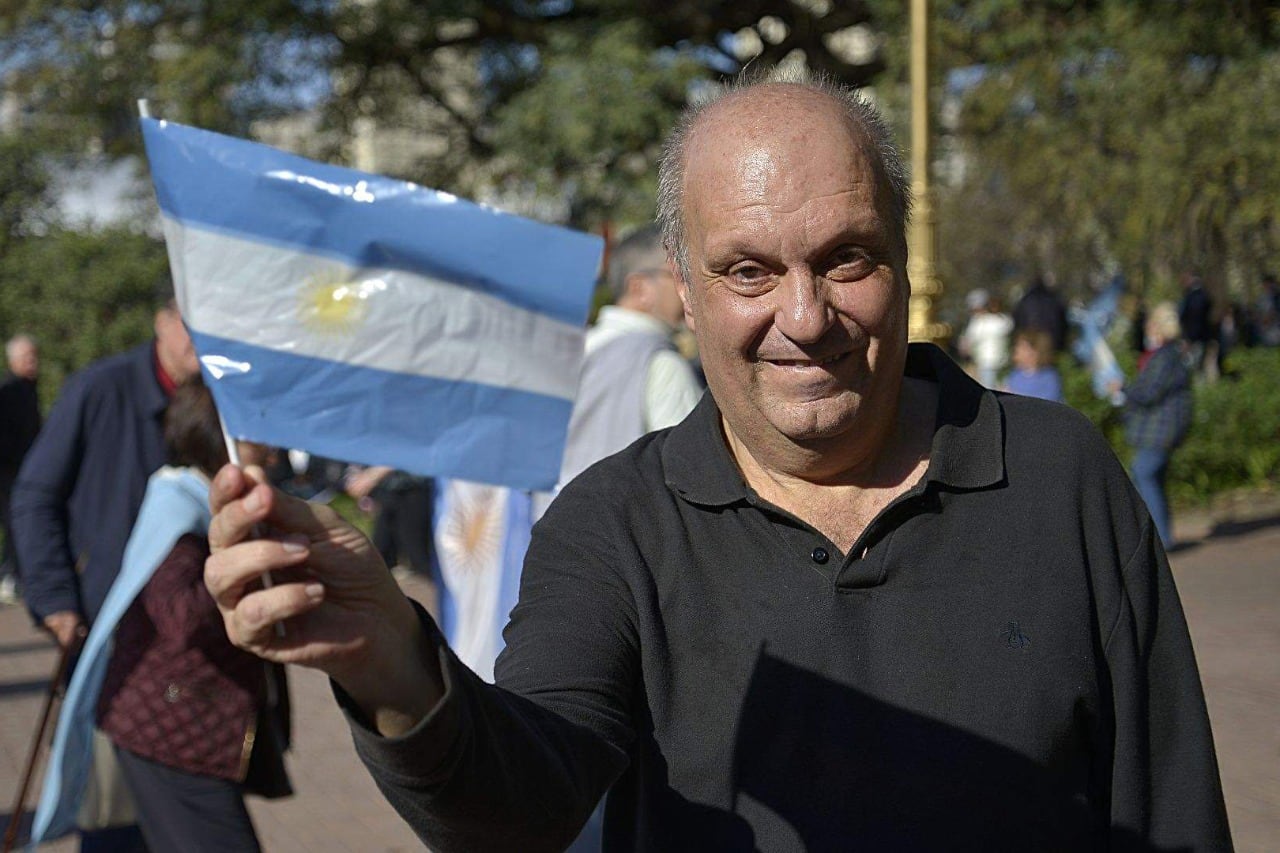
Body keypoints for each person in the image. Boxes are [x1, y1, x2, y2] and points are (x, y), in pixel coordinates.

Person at [205, 70, 1230, 850]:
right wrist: (391, 662)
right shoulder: (614, 523)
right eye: (748, 270)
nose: (803, 317)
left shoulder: (1058, 473)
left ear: (902, 266)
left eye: (845, 259)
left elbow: (1169, 798)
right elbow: (523, 799)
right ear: (683, 297)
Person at [13, 290, 199, 852]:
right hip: (110, 632)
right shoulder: (101, 388)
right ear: (162, 322)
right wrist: (55, 599)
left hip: (194, 642)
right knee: (115, 815)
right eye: (193, 324)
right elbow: (35, 496)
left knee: (190, 807)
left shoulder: (220, 397)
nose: (203, 341)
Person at [97, 382, 291, 851]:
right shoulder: (180, 508)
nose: (271, 451)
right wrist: (242, 559)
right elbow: (179, 615)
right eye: (255, 435)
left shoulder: (206, 503)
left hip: (183, 728)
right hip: (168, 732)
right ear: (218, 438)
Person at [556, 224, 703, 489]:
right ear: (639, 288)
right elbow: (693, 471)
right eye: (680, 276)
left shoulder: (576, 350)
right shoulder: (660, 363)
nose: (689, 290)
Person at [1122, 302, 1193, 550]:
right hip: (1164, 428)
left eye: (1151, 324)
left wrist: (1122, 388)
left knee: (1143, 473)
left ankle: (1161, 539)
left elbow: (1148, 392)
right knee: (1152, 478)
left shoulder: (1164, 356)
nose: (1147, 328)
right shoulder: (1173, 354)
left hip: (1159, 430)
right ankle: (1161, 534)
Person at [0, 333, 41, 604]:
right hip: (10, 470)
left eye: (34, 356)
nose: (32, 362)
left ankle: (10, 574)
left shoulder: (27, 389)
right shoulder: (11, 391)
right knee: (16, 524)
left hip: (22, 469)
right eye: (27, 357)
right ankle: (11, 576)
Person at [955, 288, 1012, 389]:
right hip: (984, 363)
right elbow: (968, 341)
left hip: (995, 363)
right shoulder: (978, 321)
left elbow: (970, 339)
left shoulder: (996, 321)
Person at [1012, 274, 1069, 353]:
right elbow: (1063, 321)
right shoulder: (1053, 299)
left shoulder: (1026, 300)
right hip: (1052, 339)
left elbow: (1017, 319)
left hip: (1029, 337)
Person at [1002, 329, 1063, 402]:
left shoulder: (1049, 377)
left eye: (1023, 348)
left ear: (1035, 352)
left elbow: (1048, 402)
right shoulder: (1015, 375)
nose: (1017, 350)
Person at [1178, 271, 1214, 373]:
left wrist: (1188, 338)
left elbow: (1195, 319)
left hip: (1195, 338)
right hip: (1198, 337)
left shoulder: (1195, 297)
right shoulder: (1200, 295)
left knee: (1194, 366)